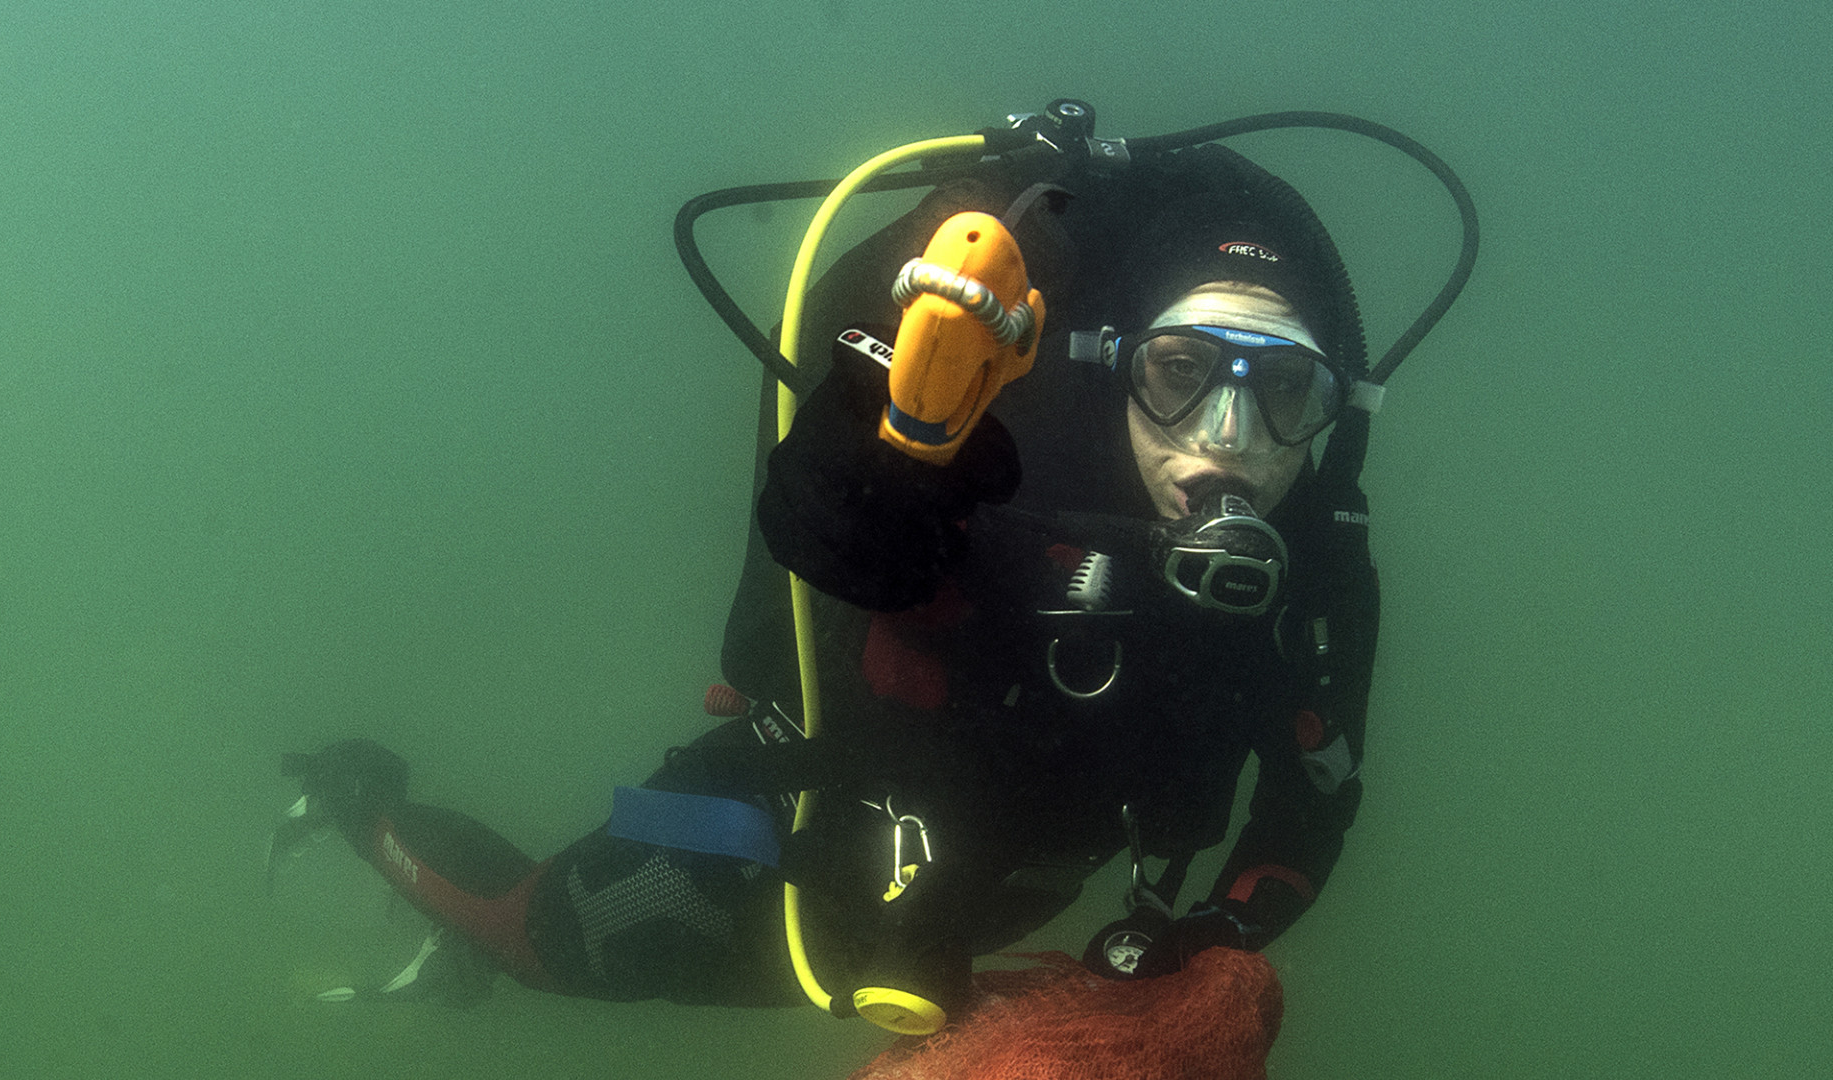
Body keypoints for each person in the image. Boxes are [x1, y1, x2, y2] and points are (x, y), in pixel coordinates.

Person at [274, 101, 1429, 1026]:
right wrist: (910, 423)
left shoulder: (1319, 574)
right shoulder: (1008, 464)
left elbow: (1311, 812)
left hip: (1001, 898)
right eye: (1181, 372)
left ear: (1334, 414)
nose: (1229, 437)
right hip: (791, 830)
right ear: (1115, 364)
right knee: (540, 941)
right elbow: (837, 514)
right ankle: (354, 798)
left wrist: (1211, 942)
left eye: (1288, 390)